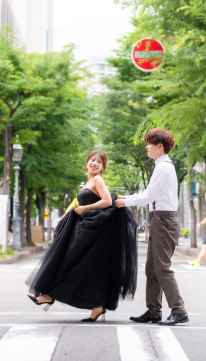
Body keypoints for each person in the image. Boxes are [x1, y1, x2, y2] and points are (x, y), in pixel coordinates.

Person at [27, 150, 137, 322]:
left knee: (71, 262)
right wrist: (64, 218)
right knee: (86, 267)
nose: (94, 163)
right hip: (87, 227)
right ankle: (97, 306)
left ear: (102, 168)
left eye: (99, 162)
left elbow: (107, 201)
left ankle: (50, 295)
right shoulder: (87, 183)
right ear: (86, 163)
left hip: (94, 230)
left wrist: (85, 209)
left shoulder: (98, 180)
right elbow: (77, 204)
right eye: (92, 160)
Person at [116, 128, 188, 327]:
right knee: (151, 268)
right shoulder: (161, 166)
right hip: (159, 219)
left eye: (149, 143)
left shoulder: (164, 167)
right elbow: (149, 194)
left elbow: (149, 196)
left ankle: (179, 310)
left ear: (160, 146)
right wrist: (126, 198)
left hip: (164, 220)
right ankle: (154, 311)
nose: (146, 147)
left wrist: (125, 201)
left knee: (161, 268)